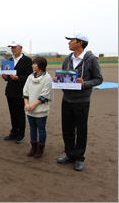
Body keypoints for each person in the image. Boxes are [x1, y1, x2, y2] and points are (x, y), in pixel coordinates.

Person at [56, 32, 103, 171]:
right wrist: (58, 80)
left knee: (81, 129)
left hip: (82, 100)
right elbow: (65, 78)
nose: (69, 43)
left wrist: (85, 83)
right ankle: (69, 154)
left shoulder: (91, 59)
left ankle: (79, 158)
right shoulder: (67, 59)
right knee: (67, 128)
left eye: (71, 40)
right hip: (67, 100)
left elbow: (99, 79)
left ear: (80, 43)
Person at [2, 41, 33, 144]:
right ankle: (14, 132)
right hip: (10, 91)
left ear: (21, 47)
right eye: (11, 47)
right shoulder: (10, 61)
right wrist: (5, 77)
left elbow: (30, 76)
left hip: (20, 91)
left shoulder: (27, 60)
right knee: (12, 113)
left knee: (20, 113)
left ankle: (21, 134)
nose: (12, 49)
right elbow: (8, 77)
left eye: (14, 47)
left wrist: (18, 78)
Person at [23, 57, 53, 158]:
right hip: (29, 109)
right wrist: (27, 104)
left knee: (41, 129)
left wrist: (33, 105)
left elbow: (45, 95)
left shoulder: (47, 78)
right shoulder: (30, 77)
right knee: (32, 128)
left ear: (41, 65)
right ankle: (33, 147)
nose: (32, 65)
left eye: (35, 64)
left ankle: (40, 149)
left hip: (40, 109)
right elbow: (25, 91)